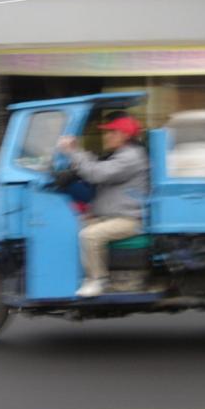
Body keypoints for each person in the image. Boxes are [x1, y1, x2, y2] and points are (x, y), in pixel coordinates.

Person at [57, 113, 149, 297]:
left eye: (111, 132)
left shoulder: (130, 157)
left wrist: (73, 152)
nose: (106, 136)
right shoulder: (120, 155)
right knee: (69, 229)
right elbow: (95, 168)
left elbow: (96, 174)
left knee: (90, 235)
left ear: (124, 135)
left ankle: (97, 281)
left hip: (129, 220)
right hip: (112, 217)